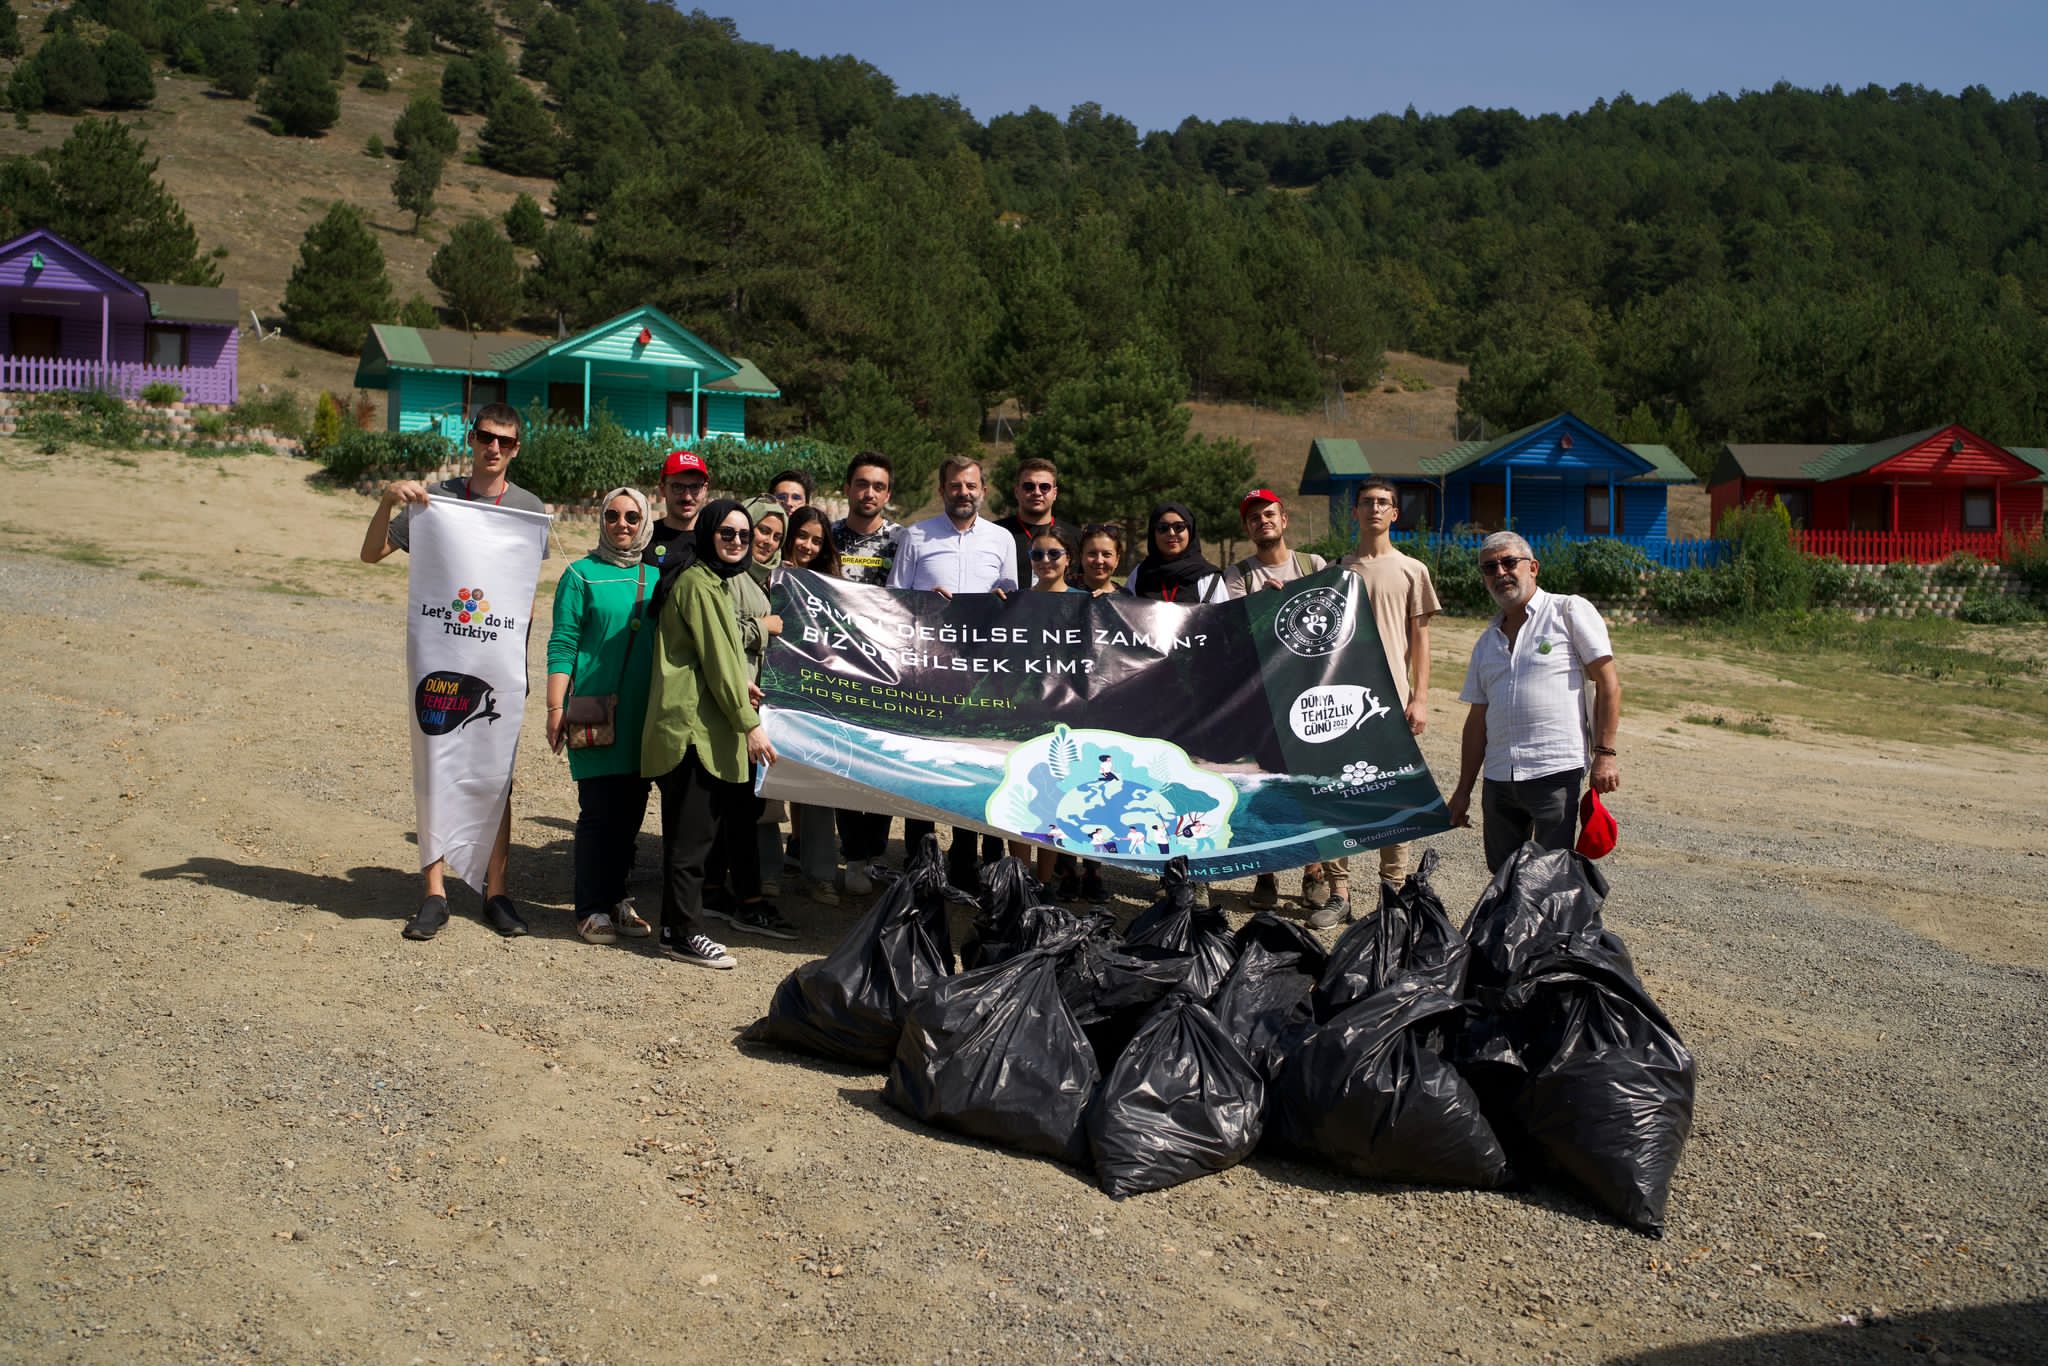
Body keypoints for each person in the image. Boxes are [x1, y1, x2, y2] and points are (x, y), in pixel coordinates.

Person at [359, 402, 545, 941]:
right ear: (472, 437)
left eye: (505, 442)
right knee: (436, 764)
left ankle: (497, 893)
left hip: (498, 662)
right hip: (440, 657)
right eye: (487, 437)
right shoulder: (435, 500)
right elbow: (372, 554)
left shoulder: (528, 508)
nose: (494, 448)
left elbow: (518, 586)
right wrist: (390, 499)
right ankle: (434, 893)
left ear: (516, 449)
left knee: (497, 776)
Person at [641, 500, 780, 969]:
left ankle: (672, 928)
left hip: (698, 726)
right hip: (692, 731)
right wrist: (750, 726)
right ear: (706, 533)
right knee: (691, 842)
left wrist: (740, 684)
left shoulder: (712, 582)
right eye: (728, 533)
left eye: (744, 535)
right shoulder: (700, 583)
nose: (738, 541)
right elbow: (721, 663)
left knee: (690, 836)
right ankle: (684, 933)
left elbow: (711, 650)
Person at [1446, 531, 1621, 873]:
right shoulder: (1486, 642)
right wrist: (1463, 790)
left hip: (1553, 771)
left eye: (1509, 562)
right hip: (1498, 778)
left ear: (1533, 567)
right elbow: (1477, 720)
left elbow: (1609, 683)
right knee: (1503, 876)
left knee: (1550, 876)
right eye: (1489, 568)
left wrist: (1605, 755)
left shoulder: (1567, 611)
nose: (1500, 573)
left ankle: (1555, 929)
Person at [1310, 477, 1443, 927]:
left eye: (1383, 502)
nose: (1374, 509)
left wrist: (1420, 698)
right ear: (1355, 512)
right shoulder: (1337, 570)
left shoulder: (1411, 570)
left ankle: (1392, 892)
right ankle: (1339, 892)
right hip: (1338, 704)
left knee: (1394, 796)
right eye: (1366, 502)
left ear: (1394, 513)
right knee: (1335, 794)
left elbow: (1421, 640)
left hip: (1391, 702)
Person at [888, 455, 1019, 885]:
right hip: (927, 668)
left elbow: (1013, 596)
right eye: (955, 486)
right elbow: (893, 599)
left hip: (981, 671)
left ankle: (968, 860)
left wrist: (1003, 598)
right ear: (942, 490)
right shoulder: (916, 536)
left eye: (971, 486)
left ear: (983, 489)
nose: (964, 493)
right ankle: (919, 859)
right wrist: (925, 602)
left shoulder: (1002, 539)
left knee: (975, 761)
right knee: (923, 761)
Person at [545, 487, 658, 945]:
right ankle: (590, 907)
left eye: (633, 517)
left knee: (631, 814)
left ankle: (616, 898)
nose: (623, 525)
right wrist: (555, 707)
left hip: (645, 713)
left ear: (646, 521)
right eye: (612, 515)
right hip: (593, 709)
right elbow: (563, 643)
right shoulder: (579, 574)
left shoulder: (657, 576)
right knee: (597, 813)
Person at [1224, 489, 1333, 916]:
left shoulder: (1314, 566)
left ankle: (1315, 871)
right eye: (1253, 517)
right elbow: (1232, 631)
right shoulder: (1238, 576)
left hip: (1309, 697)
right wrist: (1261, 603)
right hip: (1261, 697)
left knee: (1309, 785)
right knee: (1266, 785)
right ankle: (1266, 870)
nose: (1262, 521)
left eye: (1269, 513)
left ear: (1284, 519)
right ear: (1247, 528)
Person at [695, 498, 795, 939]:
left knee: (740, 803)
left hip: (754, 703)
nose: (764, 539)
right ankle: (748, 901)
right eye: (760, 529)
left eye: (776, 534)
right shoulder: (729, 577)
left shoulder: (768, 580)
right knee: (737, 804)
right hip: (735, 705)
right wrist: (764, 627)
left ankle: (716, 888)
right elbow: (721, 635)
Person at [829, 452, 902, 894]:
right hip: (832, 665)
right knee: (843, 762)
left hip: (887, 668)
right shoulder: (829, 536)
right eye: (861, 484)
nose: (868, 492)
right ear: (848, 488)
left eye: (877, 486)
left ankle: (873, 854)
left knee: (881, 761)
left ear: (887, 493)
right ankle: (852, 855)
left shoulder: (903, 541)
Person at [1007, 529, 1083, 889]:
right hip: (1021, 713)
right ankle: (1020, 881)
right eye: (1038, 555)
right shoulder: (1014, 602)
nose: (1046, 561)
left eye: (1054, 554)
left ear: (1069, 558)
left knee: (1055, 799)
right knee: (1020, 795)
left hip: (1067, 718)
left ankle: (1045, 880)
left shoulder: (1087, 603)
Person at [777, 506, 843, 902]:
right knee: (768, 790)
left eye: (817, 540)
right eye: (802, 535)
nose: (808, 545)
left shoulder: (831, 586)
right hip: (771, 691)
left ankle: (819, 873)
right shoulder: (763, 574)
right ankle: (766, 870)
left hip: (815, 696)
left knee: (817, 785)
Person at [994, 457, 1081, 583]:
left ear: (1055, 493)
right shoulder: (995, 534)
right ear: (1017, 491)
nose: (1037, 492)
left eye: (1044, 487)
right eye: (1029, 486)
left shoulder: (1076, 537)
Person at [1122, 502, 1227, 604]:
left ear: (1190, 531)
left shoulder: (1209, 578)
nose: (1171, 533)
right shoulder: (1140, 574)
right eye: (1163, 528)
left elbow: (1222, 619)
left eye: (1179, 527)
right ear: (1153, 533)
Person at [647, 449, 710, 582]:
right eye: (677, 486)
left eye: (695, 487)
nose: (687, 497)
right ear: (662, 489)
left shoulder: (715, 540)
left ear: (705, 490)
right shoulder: (645, 539)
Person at [1077, 524, 1123, 597]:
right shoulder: (1062, 590)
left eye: (1106, 554)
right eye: (1092, 553)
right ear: (1081, 556)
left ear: (1117, 559)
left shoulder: (1125, 597)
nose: (1099, 561)